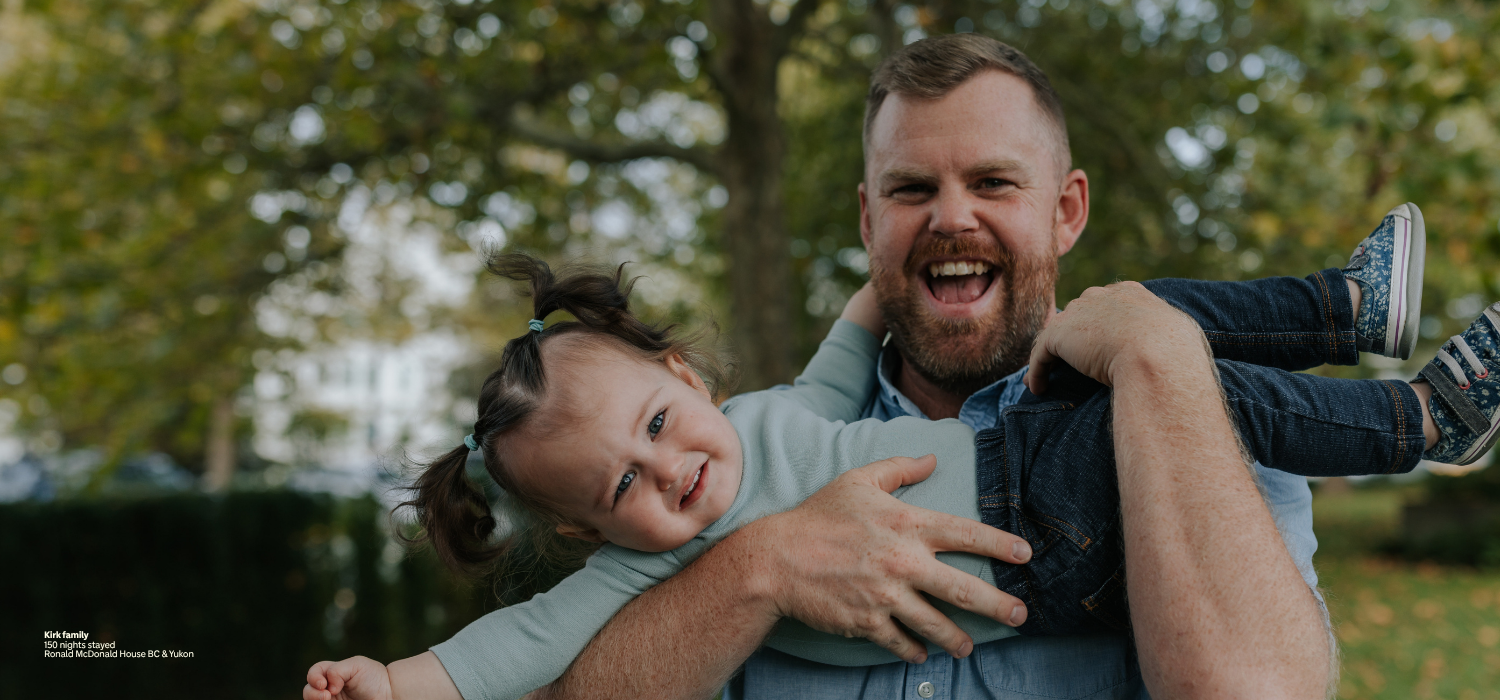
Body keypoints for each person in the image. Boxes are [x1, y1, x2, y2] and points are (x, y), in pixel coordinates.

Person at [304, 34, 1451, 700]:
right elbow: (538, 667)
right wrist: (761, 568)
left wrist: (1153, 346)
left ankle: (1408, 395)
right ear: (867, 220)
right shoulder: (711, 514)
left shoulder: (1177, 409)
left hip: (1110, 436)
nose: (949, 219)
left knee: (1182, 330)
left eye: (992, 185)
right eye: (911, 193)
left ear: (1066, 212)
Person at [305, 226, 1500, 699]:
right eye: (620, 485)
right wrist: (395, 682)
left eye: (658, 429)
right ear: (588, 532)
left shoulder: (774, 418)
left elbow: (838, 361)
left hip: (1039, 455)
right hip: (1047, 532)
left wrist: (893, 272)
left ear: (684, 379)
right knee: (1198, 385)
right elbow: (508, 652)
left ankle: (1346, 307)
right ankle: (1422, 424)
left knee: (1154, 330)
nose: (663, 475)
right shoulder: (645, 571)